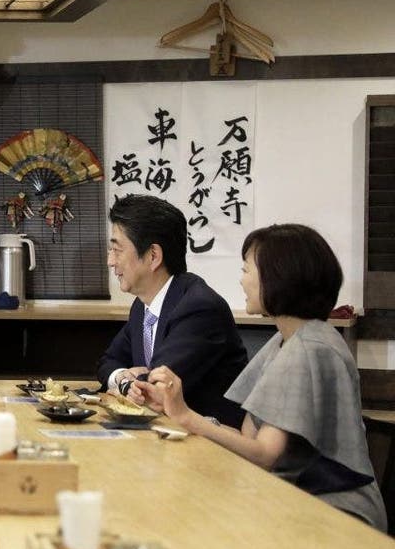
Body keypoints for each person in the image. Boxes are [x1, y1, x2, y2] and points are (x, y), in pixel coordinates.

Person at [136, 224, 386, 532]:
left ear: (278, 276)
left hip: (336, 511)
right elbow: (249, 438)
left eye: (247, 270)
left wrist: (187, 417)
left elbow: (266, 455)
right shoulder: (287, 339)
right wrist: (178, 408)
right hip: (295, 496)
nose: (241, 281)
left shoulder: (309, 347)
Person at [96, 194, 247, 427]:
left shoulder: (200, 307)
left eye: (117, 250)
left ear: (153, 256)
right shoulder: (142, 305)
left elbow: (155, 388)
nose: (110, 261)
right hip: (163, 434)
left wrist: (129, 383)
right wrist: (124, 378)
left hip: (212, 446)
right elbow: (108, 362)